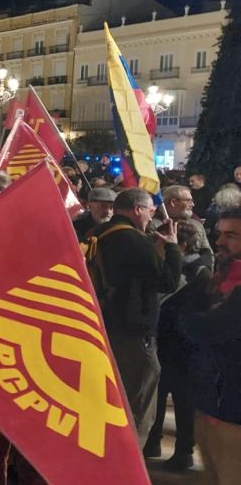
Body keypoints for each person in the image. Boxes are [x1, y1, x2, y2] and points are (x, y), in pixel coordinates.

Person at [90, 187, 182, 444]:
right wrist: (172, 248)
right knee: (138, 402)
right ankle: (127, 464)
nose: (151, 218)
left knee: (105, 399)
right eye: (150, 212)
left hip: (101, 326)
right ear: (137, 209)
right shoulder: (135, 241)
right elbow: (167, 282)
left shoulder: (97, 234)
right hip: (134, 333)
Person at [143, 220, 211, 471]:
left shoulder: (200, 275)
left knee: (183, 402)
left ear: (180, 245)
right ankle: (153, 441)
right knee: (157, 397)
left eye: (160, 241)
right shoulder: (171, 270)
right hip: (164, 345)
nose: (156, 246)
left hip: (182, 349)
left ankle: (184, 452)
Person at [182, 208, 241, 484]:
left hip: (233, 413)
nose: (219, 241)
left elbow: (206, 329)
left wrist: (192, 307)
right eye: (219, 233)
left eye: (231, 235)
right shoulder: (222, 279)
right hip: (212, 404)